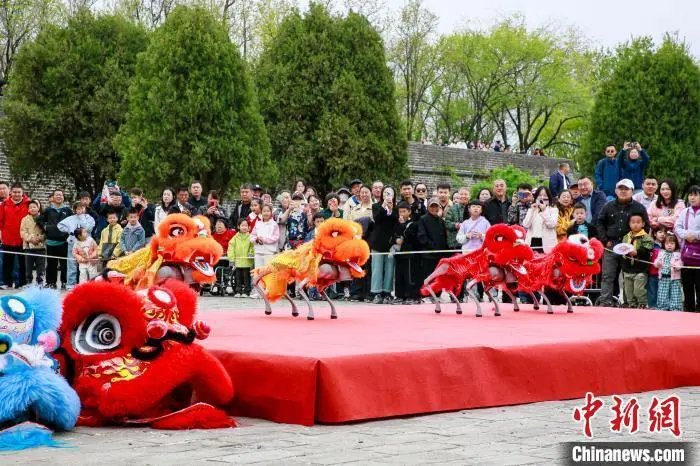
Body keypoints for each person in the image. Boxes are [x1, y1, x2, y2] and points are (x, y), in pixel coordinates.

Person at [596, 179, 650, 307]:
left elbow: (646, 226)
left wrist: (636, 243)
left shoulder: (639, 207)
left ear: (632, 191)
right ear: (616, 190)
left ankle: (628, 303)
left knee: (628, 277)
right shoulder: (608, 206)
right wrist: (604, 240)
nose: (623, 191)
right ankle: (605, 302)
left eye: (626, 189)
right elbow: (600, 223)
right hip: (611, 246)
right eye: (620, 188)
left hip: (630, 247)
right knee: (607, 276)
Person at [369, 186, 398, 304]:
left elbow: (396, 222)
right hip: (378, 242)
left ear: (394, 195)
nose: (388, 195)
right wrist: (384, 205)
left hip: (390, 242)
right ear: (382, 194)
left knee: (390, 269)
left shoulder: (396, 207)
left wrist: (391, 210)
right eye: (386, 193)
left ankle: (387, 292)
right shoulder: (376, 206)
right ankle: (376, 293)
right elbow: (377, 219)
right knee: (377, 269)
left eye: (390, 193)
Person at [674, 185, 700, 312]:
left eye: (695, 195)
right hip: (687, 256)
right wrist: (687, 235)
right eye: (690, 195)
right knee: (687, 286)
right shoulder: (685, 212)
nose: (692, 197)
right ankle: (689, 310)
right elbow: (677, 227)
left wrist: (695, 236)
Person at [58, 202, 96, 291]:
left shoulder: (89, 218)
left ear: (85, 209)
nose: (80, 210)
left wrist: (82, 218)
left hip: (86, 244)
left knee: (86, 264)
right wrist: (69, 230)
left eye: (82, 208)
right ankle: (70, 285)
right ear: (75, 210)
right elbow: (60, 225)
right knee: (71, 264)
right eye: (78, 208)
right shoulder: (71, 218)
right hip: (73, 243)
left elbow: (89, 227)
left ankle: (86, 284)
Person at [40, 189, 73, 289]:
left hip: (64, 242)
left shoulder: (68, 210)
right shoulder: (48, 210)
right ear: (53, 197)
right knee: (51, 264)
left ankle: (65, 282)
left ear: (63, 197)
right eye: (56, 195)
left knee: (64, 264)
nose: (59, 196)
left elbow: (72, 223)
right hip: (51, 242)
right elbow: (40, 220)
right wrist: (45, 227)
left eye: (60, 195)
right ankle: (51, 282)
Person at [620, 213, 653, 308]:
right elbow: (623, 247)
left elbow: (649, 247)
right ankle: (632, 304)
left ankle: (642, 304)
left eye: (638, 222)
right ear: (629, 224)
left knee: (639, 290)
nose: (635, 224)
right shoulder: (626, 236)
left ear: (643, 224)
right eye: (633, 222)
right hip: (627, 268)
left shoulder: (646, 237)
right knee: (628, 291)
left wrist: (637, 252)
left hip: (640, 269)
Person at [0, 183, 30, 289]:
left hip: (23, 238)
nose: (16, 194)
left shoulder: (28, 203)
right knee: (7, 262)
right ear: (11, 192)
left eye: (19, 192)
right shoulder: (4, 204)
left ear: (22, 193)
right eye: (14, 192)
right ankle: (7, 283)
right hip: (7, 238)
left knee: (23, 262)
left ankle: (22, 283)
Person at [417, 198, 448, 297]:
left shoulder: (440, 220)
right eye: (432, 206)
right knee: (428, 276)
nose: (434, 208)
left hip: (440, 255)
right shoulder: (423, 219)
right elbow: (422, 236)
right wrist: (432, 246)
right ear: (428, 207)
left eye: (436, 206)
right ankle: (426, 295)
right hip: (428, 254)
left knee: (438, 277)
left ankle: (437, 295)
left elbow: (444, 236)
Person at [392, 201, 420, 305]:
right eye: (400, 212)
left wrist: (402, 225)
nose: (402, 214)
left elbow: (410, 236)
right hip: (399, 254)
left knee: (409, 276)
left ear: (409, 211)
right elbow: (393, 236)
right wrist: (396, 240)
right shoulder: (397, 224)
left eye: (404, 211)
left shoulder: (413, 224)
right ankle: (399, 295)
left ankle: (410, 296)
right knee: (399, 276)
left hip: (409, 254)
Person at [249, 204, 280, 299]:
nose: (266, 213)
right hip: (258, 250)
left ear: (271, 212)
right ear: (261, 212)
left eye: (268, 211)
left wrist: (265, 240)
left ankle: (268, 291)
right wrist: (256, 239)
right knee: (258, 271)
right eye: (264, 211)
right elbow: (252, 235)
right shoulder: (258, 223)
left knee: (268, 272)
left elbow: (276, 237)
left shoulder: (274, 224)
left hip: (269, 251)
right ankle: (259, 291)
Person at [523, 187, 558, 253]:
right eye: (539, 195)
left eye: (545, 195)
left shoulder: (553, 210)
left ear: (549, 197)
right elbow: (526, 225)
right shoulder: (531, 210)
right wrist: (532, 211)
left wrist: (544, 211)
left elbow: (552, 225)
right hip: (532, 243)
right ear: (536, 197)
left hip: (547, 244)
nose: (542, 197)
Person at [654, 234, 683, 311]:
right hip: (663, 277)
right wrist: (658, 263)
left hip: (675, 279)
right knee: (662, 294)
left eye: (672, 243)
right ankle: (663, 308)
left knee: (675, 294)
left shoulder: (678, 254)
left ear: (676, 244)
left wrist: (676, 266)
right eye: (667, 243)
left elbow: (680, 263)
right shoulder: (661, 253)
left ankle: (675, 308)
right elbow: (656, 263)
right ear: (664, 244)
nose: (669, 245)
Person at [20, 200, 46, 286]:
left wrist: (40, 238)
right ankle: (28, 283)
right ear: (28, 209)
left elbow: (46, 231)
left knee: (41, 268)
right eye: (30, 207)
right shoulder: (24, 219)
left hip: (41, 247)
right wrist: (31, 239)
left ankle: (40, 284)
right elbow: (23, 232)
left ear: (38, 208)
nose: (33, 209)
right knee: (28, 267)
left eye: (34, 207)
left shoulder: (43, 218)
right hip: (28, 247)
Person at [228, 219, 255, 297]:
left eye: (246, 225)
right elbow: (231, 247)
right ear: (238, 227)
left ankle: (246, 291)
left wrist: (251, 253)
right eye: (242, 225)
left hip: (247, 260)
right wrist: (231, 258)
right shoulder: (235, 238)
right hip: (238, 260)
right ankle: (238, 291)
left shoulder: (250, 237)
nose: (244, 227)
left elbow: (252, 246)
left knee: (246, 277)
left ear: (249, 227)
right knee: (238, 277)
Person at [647, 227, 666, 309]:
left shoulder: (667, 245)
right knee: (652, 290)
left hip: (664, 273)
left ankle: (662, 306)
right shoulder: (651, 245)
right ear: (654, 234)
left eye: (664, 233)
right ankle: (652, 306)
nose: (663, 234)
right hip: (653, 272)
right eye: (660, 232)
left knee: (662, 292)